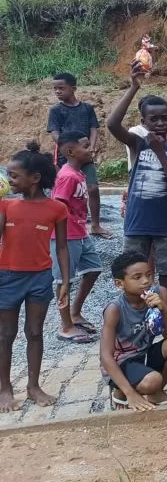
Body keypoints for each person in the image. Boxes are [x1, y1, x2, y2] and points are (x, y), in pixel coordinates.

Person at [107, 63, 167, 322]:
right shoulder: (137, 143)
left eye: (166, 117)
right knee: (133, 280)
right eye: (154, 119)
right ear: (143, 122)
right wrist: (133, 87)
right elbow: (112, 123)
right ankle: (136, 329)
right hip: (136, 224)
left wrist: (162, 153)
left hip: (165, 226)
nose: (161, 123)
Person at [0, 143, 69, 412]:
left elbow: (62, 247)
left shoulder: (56, 209)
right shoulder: (6, 205)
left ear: (35, 178)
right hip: (7, 276)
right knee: (5, 334)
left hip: (40, 277)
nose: (9, 181)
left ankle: (33, 386)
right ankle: (4, 388)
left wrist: (65, 281)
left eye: (14, 176)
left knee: (35, 332)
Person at [100, 252, 167, 410]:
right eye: (137, 277)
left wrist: (164, 309)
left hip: (144, 354)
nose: (146, 281)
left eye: (149, 274)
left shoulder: (159, 293)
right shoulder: (115, 309)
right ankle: (121, 391)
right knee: (152, 380)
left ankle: (156, 393)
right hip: (122, 363)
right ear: (120, 284)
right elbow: (105, 356)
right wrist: (130, 394)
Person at [51, 133, 103, 343]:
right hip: (66, 236)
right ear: (70, 151)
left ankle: (74, 312)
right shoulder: (67, 177)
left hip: (80, 233)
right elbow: (58, 206)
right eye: (85, 146)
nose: (91, 149)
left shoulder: (78, 174)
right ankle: (65, 326)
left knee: (94, 269)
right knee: (63, 280)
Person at [46, 72, 110, 239]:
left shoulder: (87, 108)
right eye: (55, 89)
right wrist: (68, 148)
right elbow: (54, 133)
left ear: (73, 88)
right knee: (64, 192)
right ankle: (62, 226)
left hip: (85, 156)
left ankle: (95, 225)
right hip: (65, 157)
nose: (57, 91)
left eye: (61, 88)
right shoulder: (56, 110)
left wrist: (92, 147)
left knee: (93, 188)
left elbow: (93, 129)